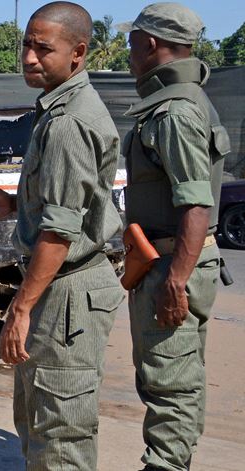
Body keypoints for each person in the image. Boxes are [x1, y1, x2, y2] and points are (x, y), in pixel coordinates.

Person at [0, 2, 124, 469]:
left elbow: (60, 234)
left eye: (44, 48)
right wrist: (15, 206)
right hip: (59, 284)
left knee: (59, 437)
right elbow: (69, 205)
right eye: (27, 45)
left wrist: (20, 307)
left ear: (78, 53)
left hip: (64, 289)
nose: (29, 58)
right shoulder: (58, 109)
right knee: (39, 422)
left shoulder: (67, 123)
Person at [117, 4, 228, 470]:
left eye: (132, 41)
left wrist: (175, 279)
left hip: (170, 263)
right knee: (176, 377)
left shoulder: (175, 110)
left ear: (150, 44)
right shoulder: (184, 100)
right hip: (167, 260)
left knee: (169, 382)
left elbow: (195, 203)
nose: (129, 51)